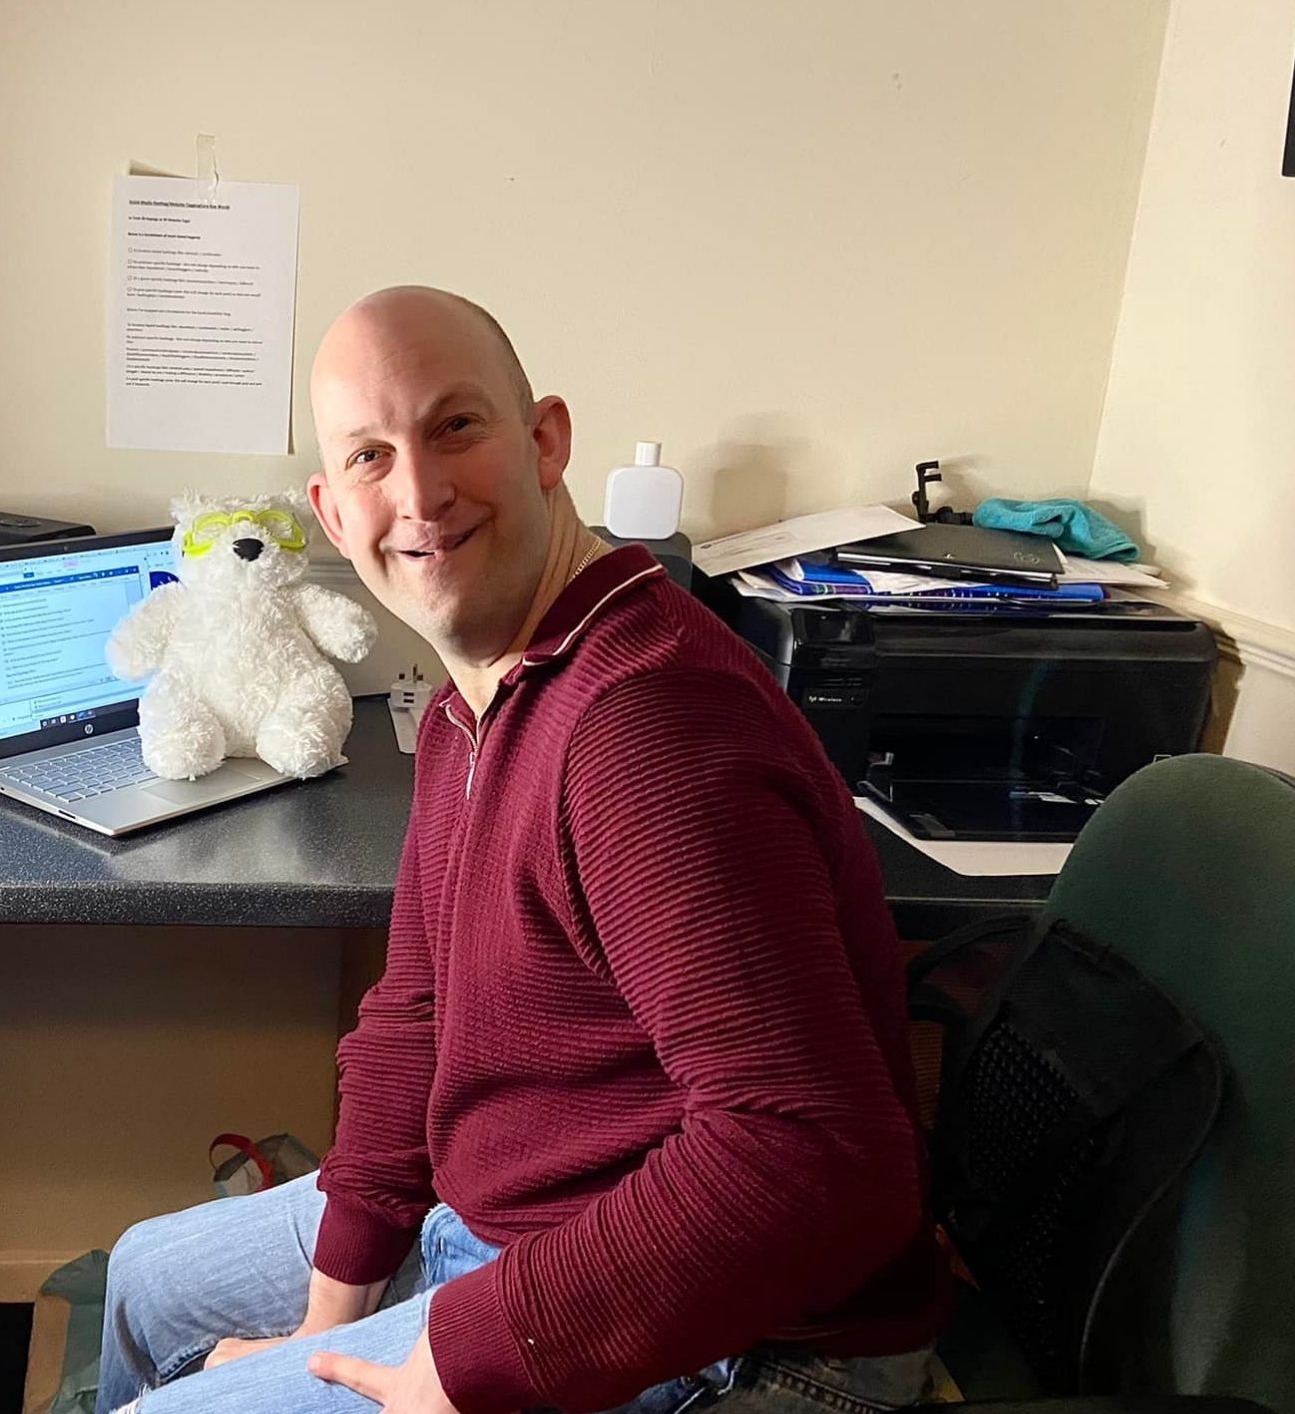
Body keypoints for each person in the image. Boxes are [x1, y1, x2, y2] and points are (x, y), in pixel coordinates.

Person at [97, 287, 948, 1414]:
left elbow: (812, 1158)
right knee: (143, 1282)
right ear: (328, 513)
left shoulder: (643, 727)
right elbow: (414, 1017)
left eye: (455, 426)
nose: (417, 493)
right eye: (367, 457)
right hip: (504, 1215)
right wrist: (326, 1318)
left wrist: (469, 1354)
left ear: (544, 440)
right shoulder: (468, 704)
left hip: (755, 1340)